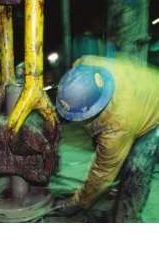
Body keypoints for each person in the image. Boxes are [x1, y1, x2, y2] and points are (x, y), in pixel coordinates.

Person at [54, 55, 159, 222]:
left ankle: (127, 218)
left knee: (136, 167)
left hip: (155, 116)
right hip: (142, 87)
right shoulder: (84, 64)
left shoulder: (118, 124)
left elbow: (102, 172)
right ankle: (112, 188)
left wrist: (78, 202)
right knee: (111, 153)